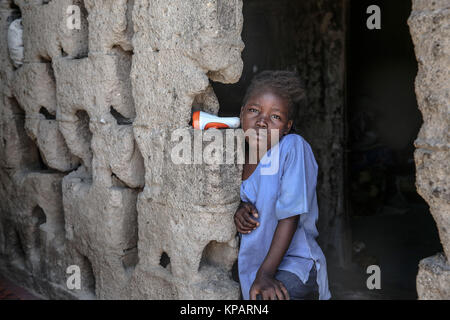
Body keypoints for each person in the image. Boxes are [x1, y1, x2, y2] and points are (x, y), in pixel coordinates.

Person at [234, 70, 331, 300]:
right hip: (255, 270)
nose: (262, 121)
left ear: (287, 127)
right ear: (241, 114)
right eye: (254, 110)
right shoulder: (238, 159)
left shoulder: (292, 147)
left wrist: (266, 274)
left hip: (296, 266)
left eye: (275, 117)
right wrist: (239, 210)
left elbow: (290, 215)